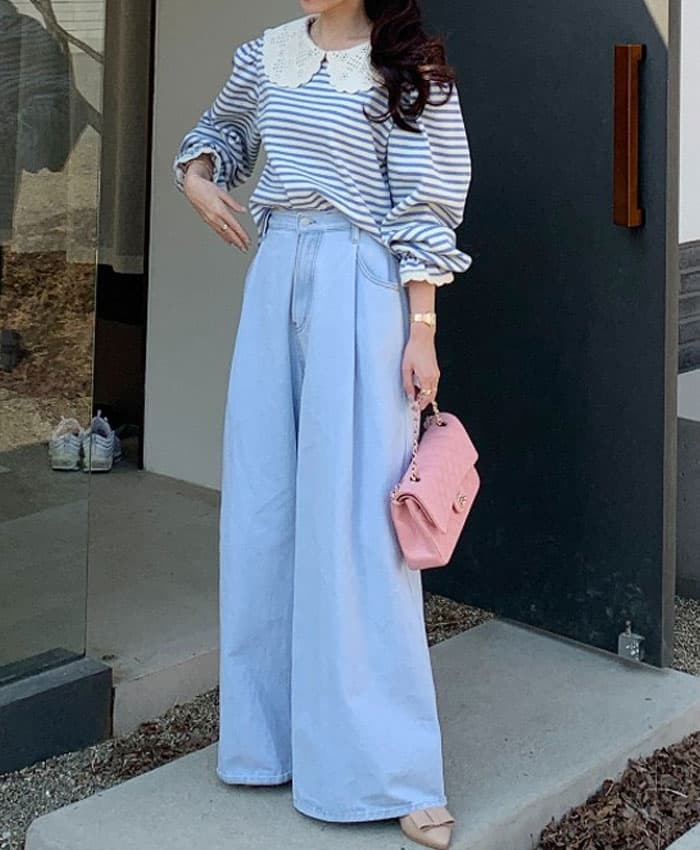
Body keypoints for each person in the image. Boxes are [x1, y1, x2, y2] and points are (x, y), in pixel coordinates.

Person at [172, 1, 472, 847]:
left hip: (362, 282)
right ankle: (267, 745)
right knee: (263, 511)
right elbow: (222, 130)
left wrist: (422, 329)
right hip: (276, 277)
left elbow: (426, 203)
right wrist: (197, 176)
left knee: (360, 529)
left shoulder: (408, 67)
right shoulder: (266, 55)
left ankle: (394, 771)